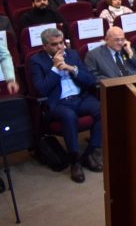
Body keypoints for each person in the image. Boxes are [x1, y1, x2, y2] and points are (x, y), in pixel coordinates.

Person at [30, 28, 102, 183]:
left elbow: (90, 80)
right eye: (54, 44)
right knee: (69, 116)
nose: (59, 47)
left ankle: (89, 153)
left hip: (79, 97)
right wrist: (55, 69)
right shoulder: (36, 60)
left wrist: (72, 69)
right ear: (45, 46)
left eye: (61, 43)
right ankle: (75, 161)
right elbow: (41, 89)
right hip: (58, 102)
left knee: (102, 109)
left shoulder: (73, 54)